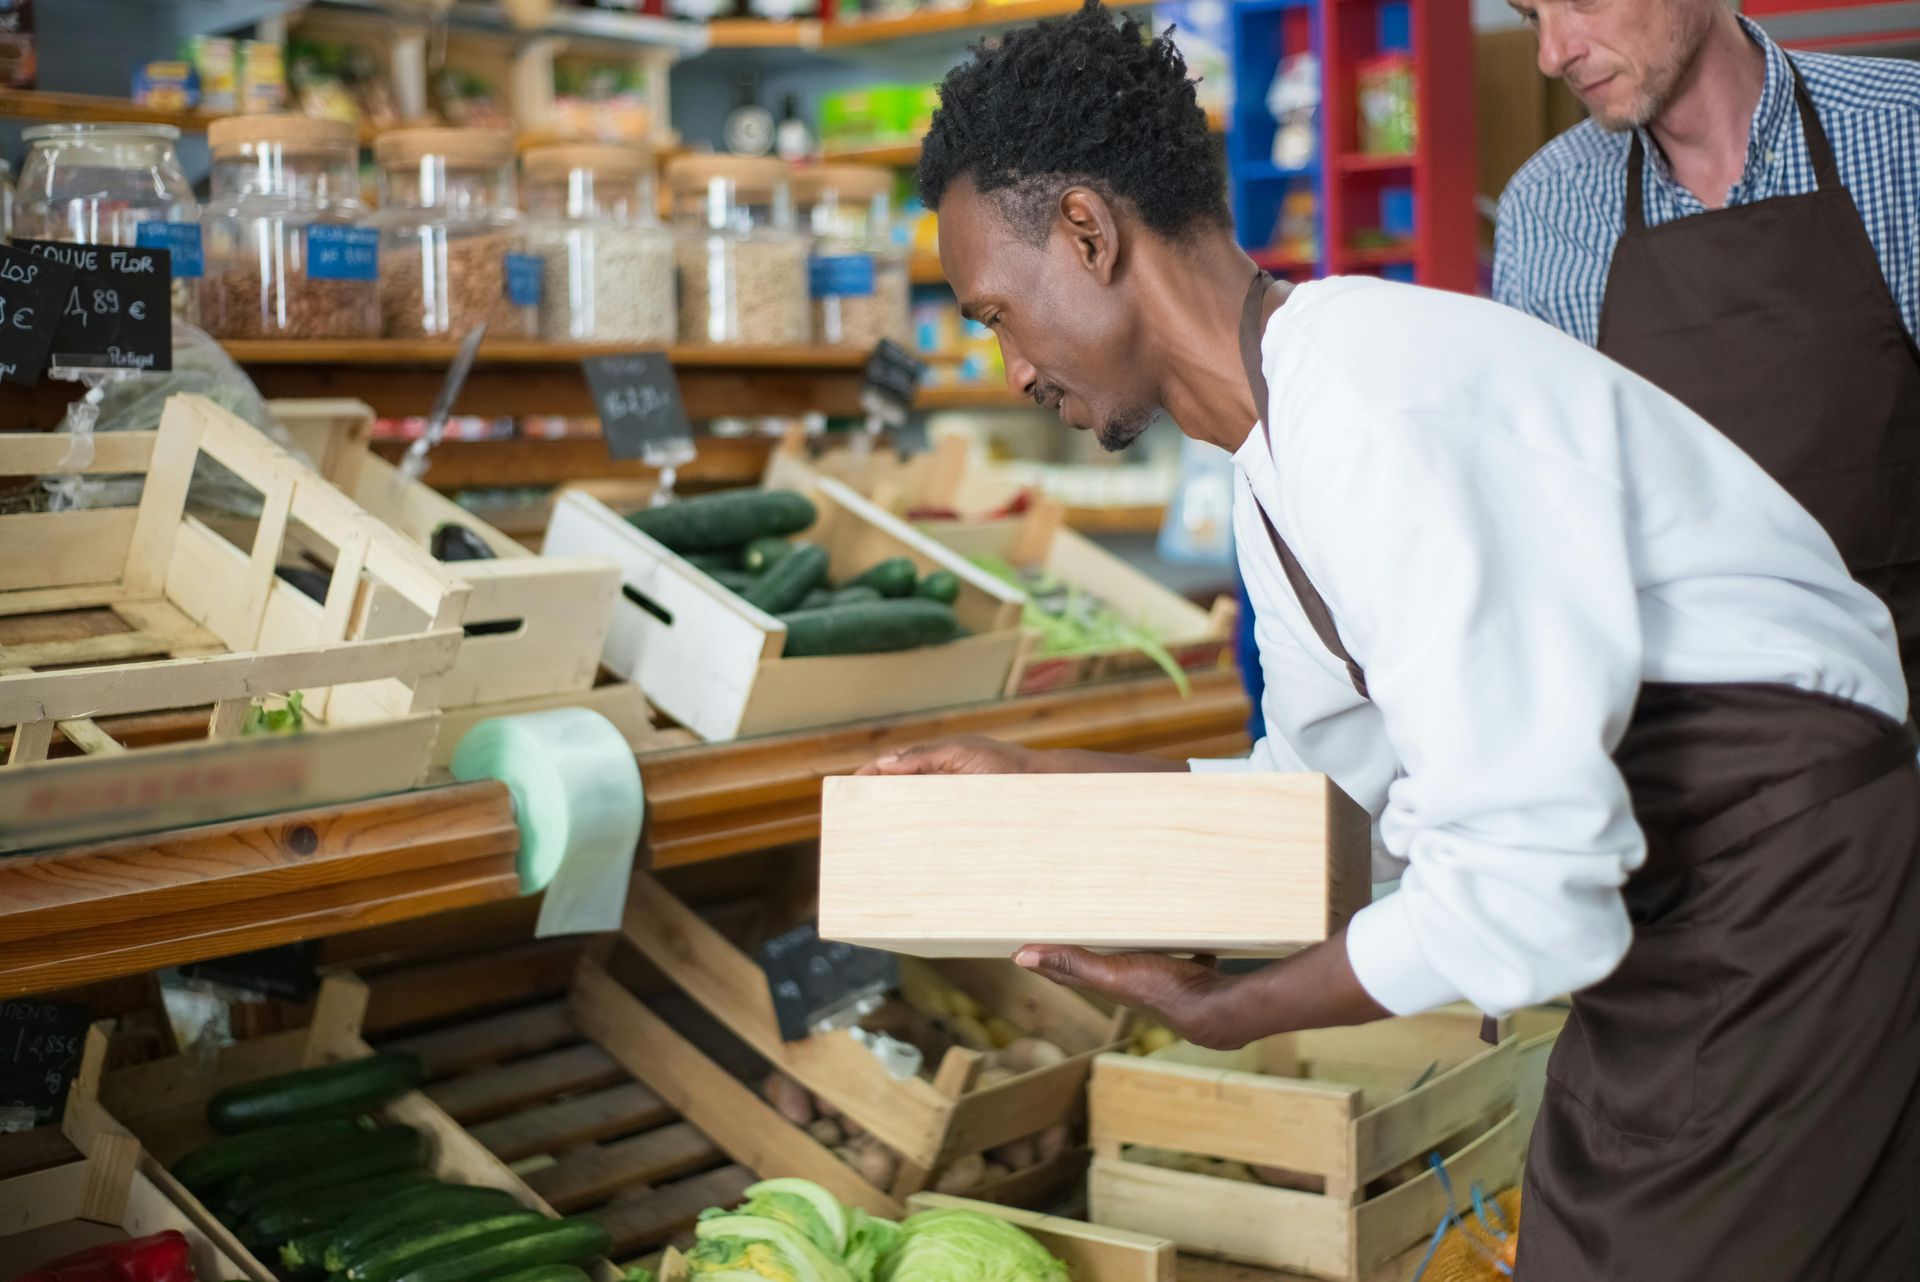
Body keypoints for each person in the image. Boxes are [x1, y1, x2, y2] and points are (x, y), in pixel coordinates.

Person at [861, 4, 1920, 1277]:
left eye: (993, 312)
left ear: (1088, 234)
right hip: (1682, 928)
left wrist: (1234, 1010)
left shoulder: (1369, 407)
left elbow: (1528, 901)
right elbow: (1325, 799)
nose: (1009, 363)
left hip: (1800, 917)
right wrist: (1039, 789)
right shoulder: (1279, 444)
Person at [1493, 0, 1920, 708]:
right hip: (1688, 764)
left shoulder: (1902, 137)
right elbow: (1549, 538)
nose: (1553, 52)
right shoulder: (1545, 213)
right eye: (1531, 17)